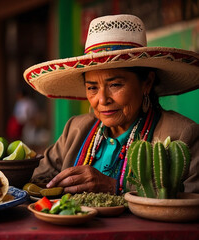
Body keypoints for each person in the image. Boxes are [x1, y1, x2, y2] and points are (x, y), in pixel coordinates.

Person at [23, 14, 199, 195]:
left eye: (115, 85)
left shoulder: (182, 135)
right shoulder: (75, 129)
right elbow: (36, 177)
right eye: (92, 88)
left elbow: (191, 202)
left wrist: (116, 187)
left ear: (147, 82)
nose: (102, 100)